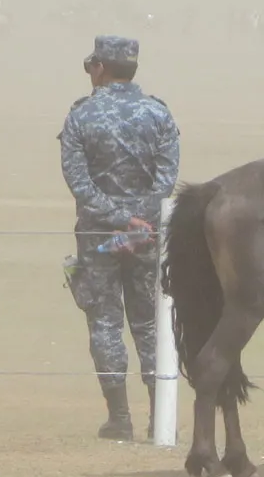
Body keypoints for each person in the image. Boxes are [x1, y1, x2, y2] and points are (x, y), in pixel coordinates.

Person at [59, 35, 180, 441]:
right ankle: (159, 418)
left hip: (98, 236)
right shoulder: (158, 114)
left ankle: (120, 418)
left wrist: (118, 219)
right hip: (148, 237)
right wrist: (139, 223)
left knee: (105, 322)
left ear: (100, 68)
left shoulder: (81, 116)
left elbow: (79, 183)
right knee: (150, 325)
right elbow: (166, 181)